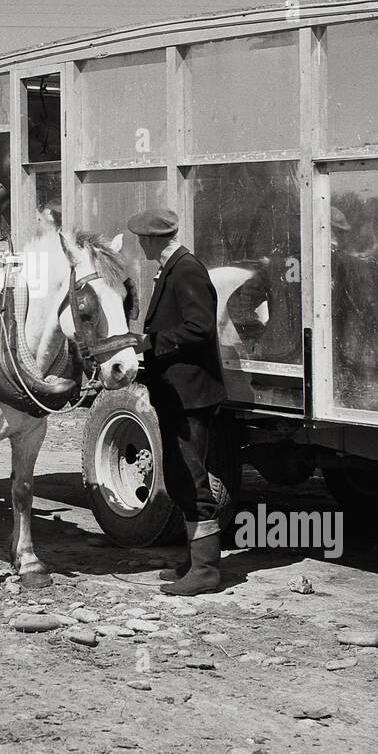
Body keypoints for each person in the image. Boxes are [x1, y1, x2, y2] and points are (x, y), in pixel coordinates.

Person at [128, 207, 229, 595]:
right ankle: (194, 560)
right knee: (179, 476)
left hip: (191, 394)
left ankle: (206, 570)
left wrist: (152, 343)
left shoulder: (186, 269)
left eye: (142, 238)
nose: (140, 244)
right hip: (178, 392)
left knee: (192, 478)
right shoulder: (174, 267)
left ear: (155, 239)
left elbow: (200, 327)